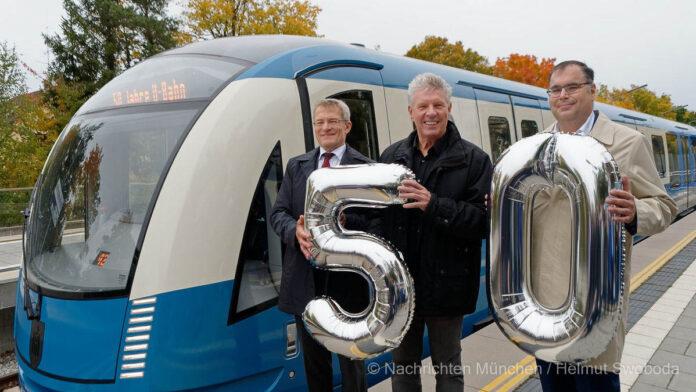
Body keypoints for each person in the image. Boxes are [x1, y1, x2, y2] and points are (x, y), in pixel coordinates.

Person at [531, 60, 677, 391]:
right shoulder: (535, 146)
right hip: (544, 302)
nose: (563, 95)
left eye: (572, 87)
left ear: (592, 90)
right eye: (555, 89)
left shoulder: (627, 142)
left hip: (596, 303)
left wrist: (635, 210)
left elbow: (664, 206)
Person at [377, 73, 493, 391]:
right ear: (411, 112)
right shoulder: (391, 157)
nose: (431, 112)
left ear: (449, 108)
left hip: (448, 286)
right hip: (401, 287)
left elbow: (484, 222)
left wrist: (433, 204)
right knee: (402, 369)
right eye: (423, 105)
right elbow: (380, 217)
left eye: (438, 105)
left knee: (448, 369)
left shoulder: (475, 161)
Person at [270, 98, 371, 392]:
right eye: (320, 122)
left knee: (351, 364)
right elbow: (278, 214)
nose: (325, 127)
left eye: (332, 121)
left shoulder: (364, 167)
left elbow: (377, 222)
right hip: (306, 283)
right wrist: (295, 231)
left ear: (347, 126)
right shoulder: (296, 166)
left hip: (348, 284)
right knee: (315, 368)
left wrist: (344, 222)